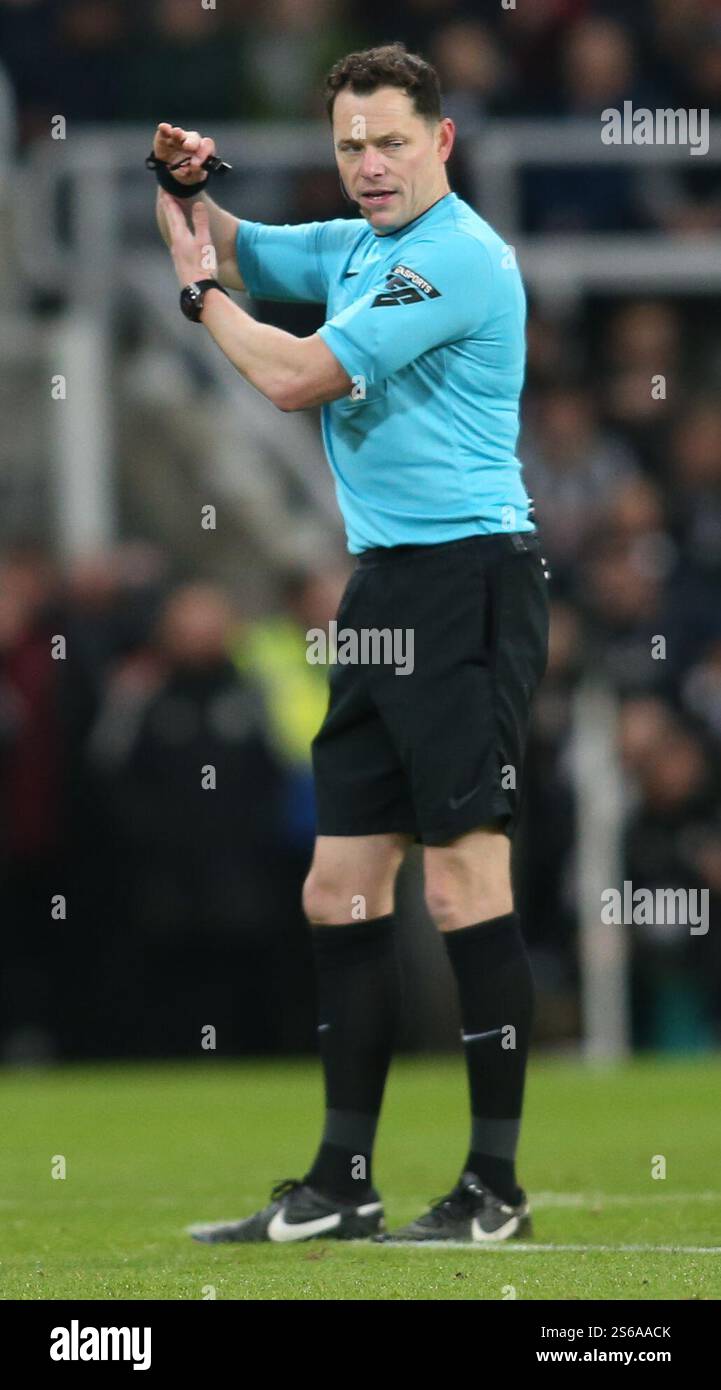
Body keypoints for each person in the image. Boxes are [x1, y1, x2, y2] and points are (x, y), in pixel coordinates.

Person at [153, 41, 549, 1245]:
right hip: (381, 591)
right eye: (347, 146)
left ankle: (493, 1189)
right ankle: (342, 1184)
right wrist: (181, 187)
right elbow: (227, 238)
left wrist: (197, 300)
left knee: (463, 877)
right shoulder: (358, 248)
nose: (367, 165)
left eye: (388, 141)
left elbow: (296, 377)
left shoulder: (454, 264)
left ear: (441, 141)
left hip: (470, 578)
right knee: (338, 887)